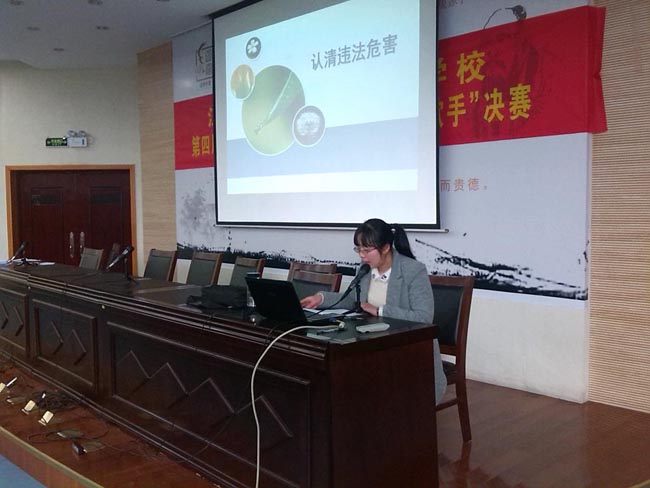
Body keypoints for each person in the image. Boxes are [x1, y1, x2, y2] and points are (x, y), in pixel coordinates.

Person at [300, 218, 446, 404]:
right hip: (371, 341)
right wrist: (320, 299)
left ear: (385, 248)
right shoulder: (365, 270)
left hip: (406, 347)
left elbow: (424, 317)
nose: (362, 255)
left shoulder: (413, 270)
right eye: (358, 249)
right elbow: (354, 300)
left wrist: (380, 310)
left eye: (366, 250)